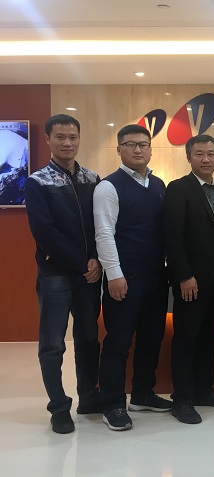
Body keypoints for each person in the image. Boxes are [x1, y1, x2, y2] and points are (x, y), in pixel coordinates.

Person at [25, 114, 102, 434]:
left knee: (88, 339)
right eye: (60, 137)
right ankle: (58, 407)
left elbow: (101, 224)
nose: (67, 142)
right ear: (48, 140)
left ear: (79, 139)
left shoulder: (92, 178)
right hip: (55, 274)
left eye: (72, 137)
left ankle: (89, 397)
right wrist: (82, 262)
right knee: (53, 344)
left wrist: (96, 258)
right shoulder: (37, 181)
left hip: (89, 275)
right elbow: (44, 232)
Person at [94, 124, 171, 431]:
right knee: (118, 342)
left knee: (152, 338)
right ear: (119, 149)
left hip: (156, 278)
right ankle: (112, 404)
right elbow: (104, 233)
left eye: (143, 144)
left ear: (150, 149)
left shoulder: (159, 185)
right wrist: (114, 274)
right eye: (130, 144)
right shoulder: (108, 187)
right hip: (124, 279)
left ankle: (142, 394)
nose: (138, 149)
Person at [164, 135, 214, 424]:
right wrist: (184, 275)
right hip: (191, 281)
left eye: (211, 153)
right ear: (189, 157)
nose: (206, 159)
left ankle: (204, 390)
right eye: (199, 154)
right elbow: (172, 237)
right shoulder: (178, 188)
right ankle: (182, 399)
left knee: (210, 336)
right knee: (186, 339)